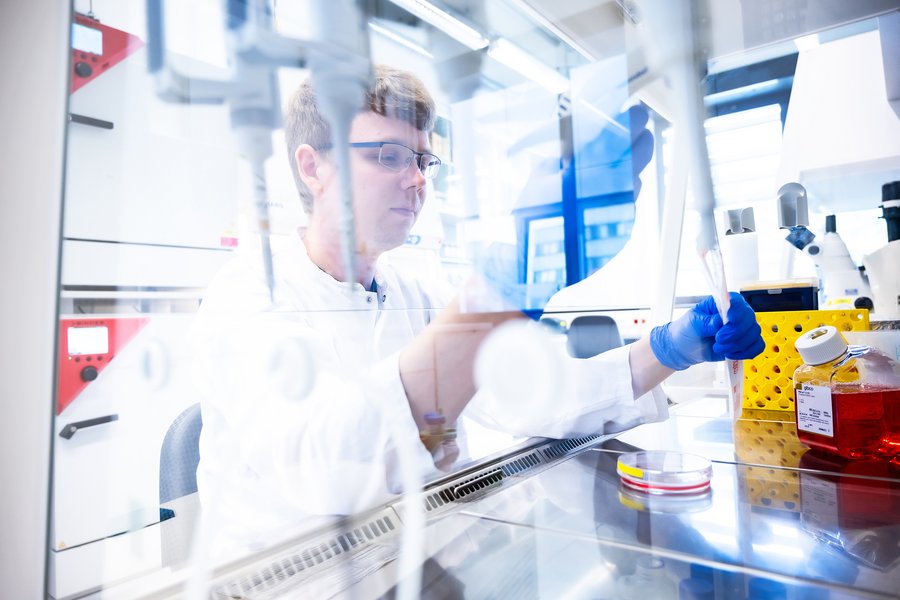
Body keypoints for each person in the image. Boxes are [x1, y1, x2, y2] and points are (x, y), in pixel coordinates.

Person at [190, 64, 764, 551]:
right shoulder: (248, 296)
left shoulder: (413, 289)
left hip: (418, 555)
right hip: (295, 581)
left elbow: (534, 398)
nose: (416, 180)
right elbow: (329, 469)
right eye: (389, 155)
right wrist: (507, 284)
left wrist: (671, 347)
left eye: (422, 160)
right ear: (313, 167)